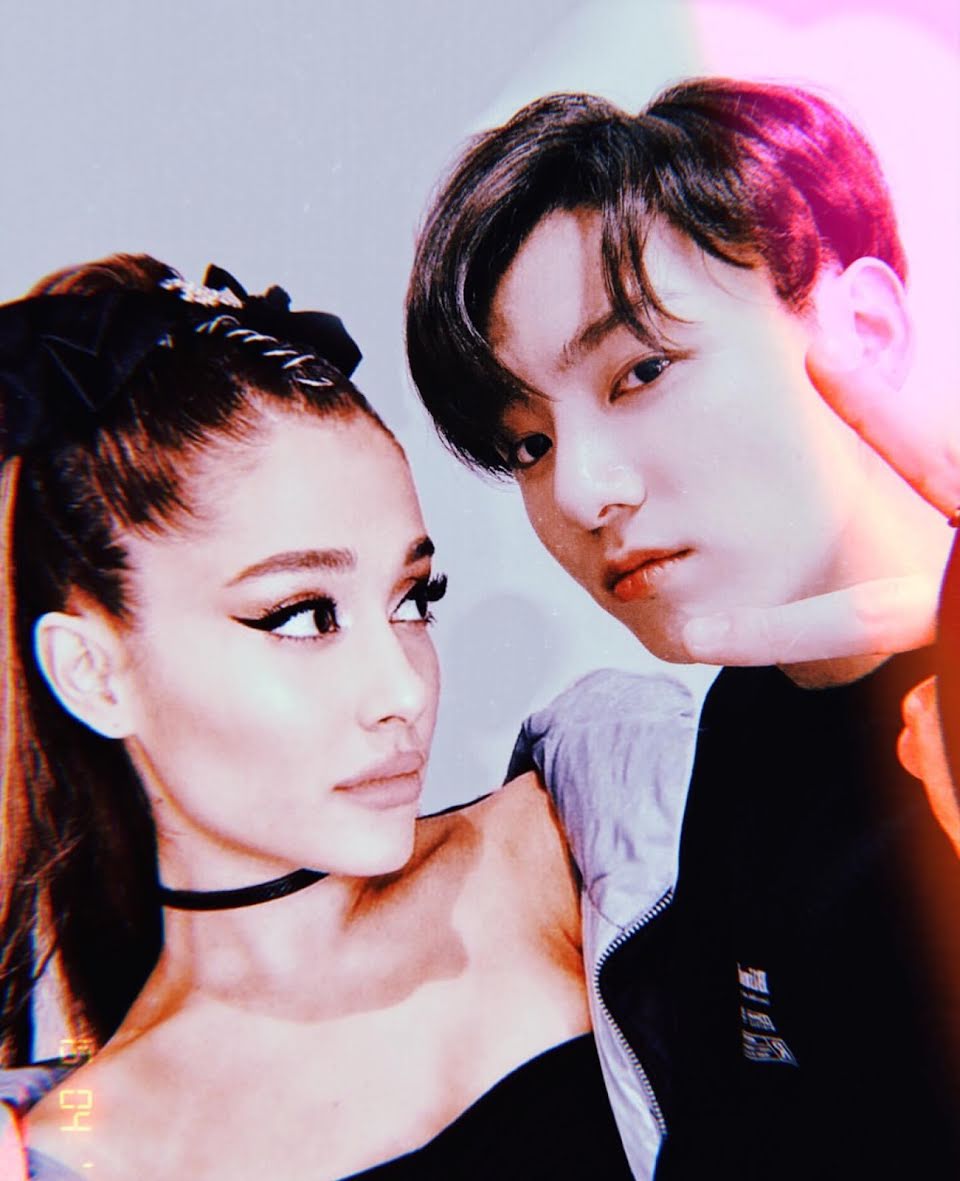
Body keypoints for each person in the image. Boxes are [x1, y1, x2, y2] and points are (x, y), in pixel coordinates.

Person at [406, 78, 960, 1178]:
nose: (581, 492)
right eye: (528, 445)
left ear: (863, 328)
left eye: (641, 371)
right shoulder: (743, 720)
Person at [0, 255, 639, 1179]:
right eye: (302, 615)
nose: (405, 690)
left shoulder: (578, 844)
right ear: (93, 673)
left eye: (413, 599)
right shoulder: (82, 1147)